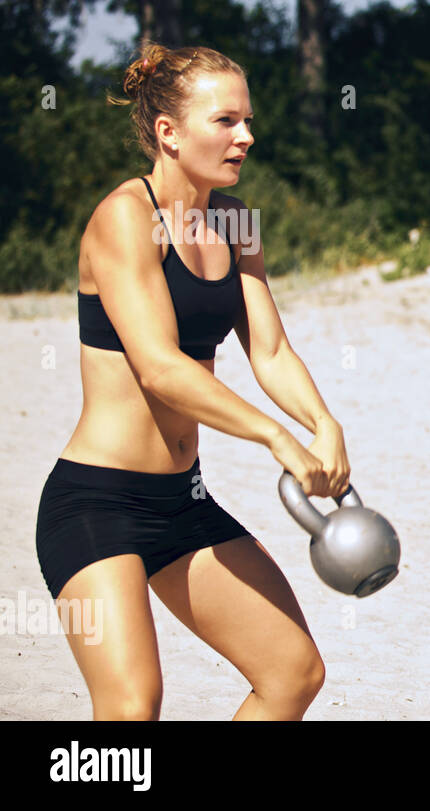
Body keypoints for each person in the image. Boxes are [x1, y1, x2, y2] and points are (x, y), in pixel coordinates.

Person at [34, 43, 349, 720]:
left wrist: (323, 423)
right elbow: (159, 366)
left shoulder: (236, 224)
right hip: (96, 504)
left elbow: (269, 350)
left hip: (182, 503)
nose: (247, 136)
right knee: (131, 703)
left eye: (248, 120)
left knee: (293, 673)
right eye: (226, 120)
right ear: (168, 133)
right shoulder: (125, 217)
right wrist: (274, 435)